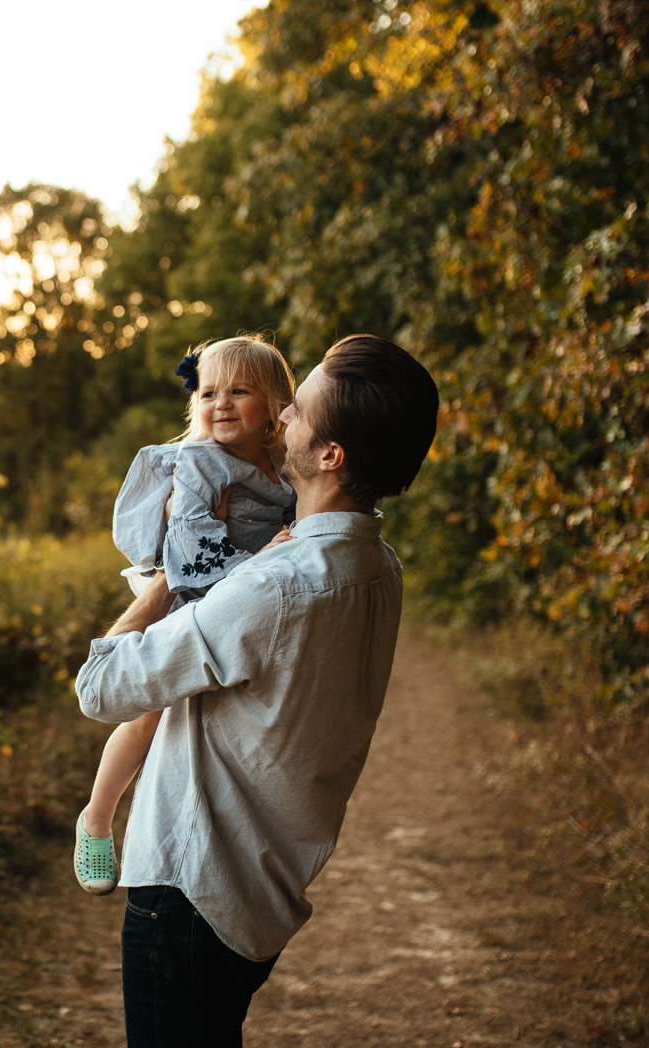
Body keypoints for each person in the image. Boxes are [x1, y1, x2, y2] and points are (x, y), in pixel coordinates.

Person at [75, 334, 439, 1047]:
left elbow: (99, 687)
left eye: (295, 410)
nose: (281, 421)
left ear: (331, 455)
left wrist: (158, 591)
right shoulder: (378, 566)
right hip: (265, 890)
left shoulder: (276, 585)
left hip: (191, 892)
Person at [73, 336, 298, 895]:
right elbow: (194, 547)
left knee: (222, 720)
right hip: (191, 591)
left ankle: (213, 838)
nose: (220, 403)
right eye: (208, 392)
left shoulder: (282, 464)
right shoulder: (200, 462)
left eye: (239, 391)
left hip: (243, 601)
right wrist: (262, 559)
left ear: (275, 404)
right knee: (149, 714)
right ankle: (97, 819)